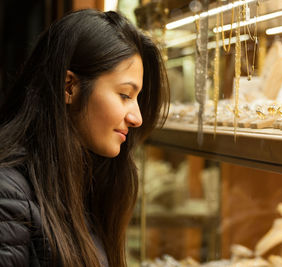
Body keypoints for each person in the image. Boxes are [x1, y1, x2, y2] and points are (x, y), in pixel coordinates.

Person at [0, 8, 169, 267]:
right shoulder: (9, 192)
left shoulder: (85, 180)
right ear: (69, 87)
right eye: (125, 95)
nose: (137, 118)